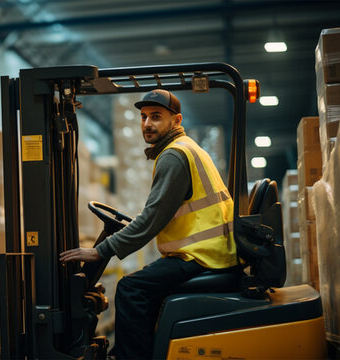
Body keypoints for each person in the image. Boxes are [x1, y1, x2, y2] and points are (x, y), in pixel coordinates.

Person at [60, 89, 238, 359]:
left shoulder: (174, 155)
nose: (147, 124)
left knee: (131, 289)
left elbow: (151, 219)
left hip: (199, 254)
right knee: (143, 285)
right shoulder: (188, 149)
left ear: (176, 120)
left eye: (156, 117)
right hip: (209, 251)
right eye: (143, 117)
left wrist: (101, 250)